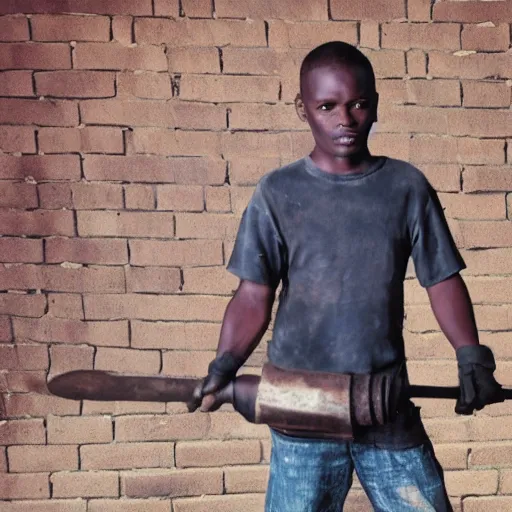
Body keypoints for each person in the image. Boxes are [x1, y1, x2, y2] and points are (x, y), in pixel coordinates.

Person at [189, 41, 504, 511]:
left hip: (383, 402)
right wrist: (225, 363)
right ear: (303, 109)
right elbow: (254, 294)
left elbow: (441, 280)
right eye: (327, 106)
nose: (345, 119)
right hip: (301, 406)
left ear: (374, 104)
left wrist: (471, 354)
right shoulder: (277, 193)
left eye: (358, 103)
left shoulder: (405, 187)